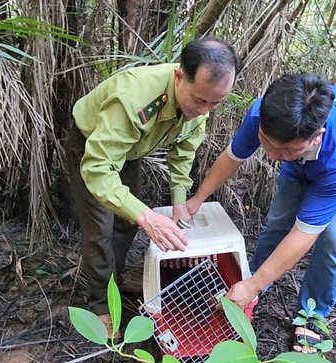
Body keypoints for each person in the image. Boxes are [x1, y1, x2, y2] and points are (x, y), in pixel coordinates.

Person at [184, 73, 336, 353]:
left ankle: (311, 315)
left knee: (333, 239)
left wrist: (253, 286)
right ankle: (254, 279)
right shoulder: (268, 115)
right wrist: (196, 199)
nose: (271, 155)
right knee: (279, 221)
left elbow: (306, 232)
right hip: (303, 155)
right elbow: (233, 157)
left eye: (284, 150)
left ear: (317, 137)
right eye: (266, 143)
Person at [66, 37, 241, 337]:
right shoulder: (133, 99)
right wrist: (146, 216)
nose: (205, 111)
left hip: (131, 152)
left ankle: (114, 282)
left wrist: (178, 199)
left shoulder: (200, 103)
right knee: (100, 229)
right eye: (200, 100)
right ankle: (99, 305)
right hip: (92, 149)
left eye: (216, 102)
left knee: (125, 223)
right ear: (178, 76)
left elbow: (184, 151)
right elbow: (97, 168)